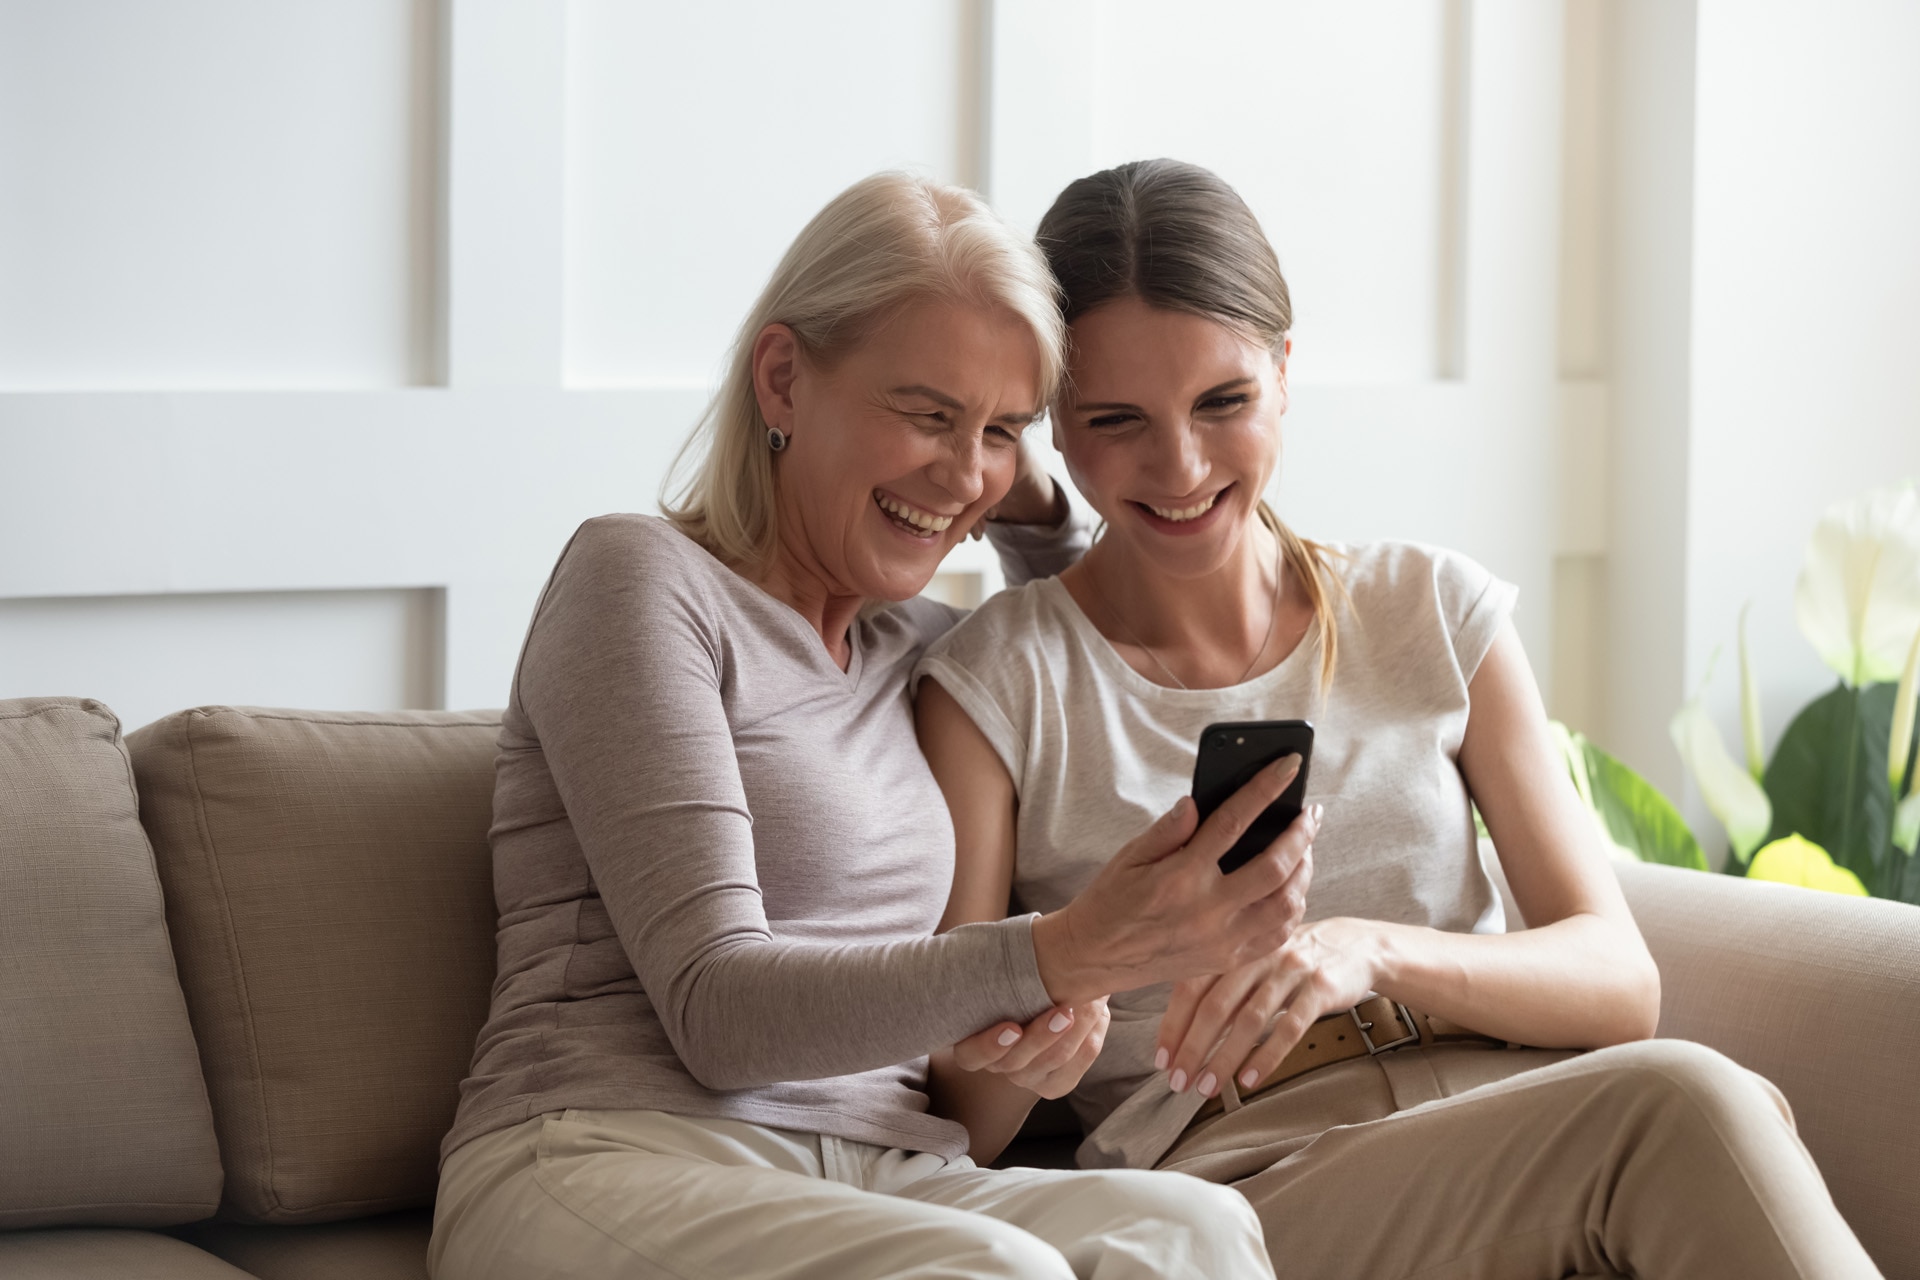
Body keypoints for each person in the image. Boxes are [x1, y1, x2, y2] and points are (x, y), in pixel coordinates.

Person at [915, 158, 1881, 1279]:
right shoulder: (999, 682)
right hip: (1245, 1177)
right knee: (1689, 1102)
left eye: (1222, 401)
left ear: (1283, 371)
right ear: (1058, 431)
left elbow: (1620, 976)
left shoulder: (1430, 608)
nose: (1178, 465)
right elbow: (962, 1112)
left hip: (1518, 1104)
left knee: (1691, 1108)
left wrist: (1363, 948)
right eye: (1117, 418)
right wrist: (1063, 987)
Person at [428, 171, 1311, 1280]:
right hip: (607, 1149)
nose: (961, 473)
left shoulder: (924, 650)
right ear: (784, 378)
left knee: (1194, 1226)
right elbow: (717, 1009)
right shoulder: (641, 581)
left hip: (885, 1167)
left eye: (1002, 428)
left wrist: (1020, 493)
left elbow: (1081, 607)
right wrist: (1056, 952)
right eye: (928, 413)